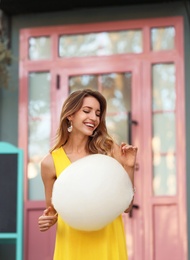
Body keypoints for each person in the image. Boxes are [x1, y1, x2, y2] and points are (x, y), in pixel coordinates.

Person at [38, 88, 138, 260]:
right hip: (72, 243)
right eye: (86, 111)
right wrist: (47, 219)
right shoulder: (50, 162)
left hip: (108, 239)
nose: (94, 118)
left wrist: (128, 166)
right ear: (70, 115)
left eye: (98, 113)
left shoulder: (108, 150)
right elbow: (52, 210)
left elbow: (126, 207)